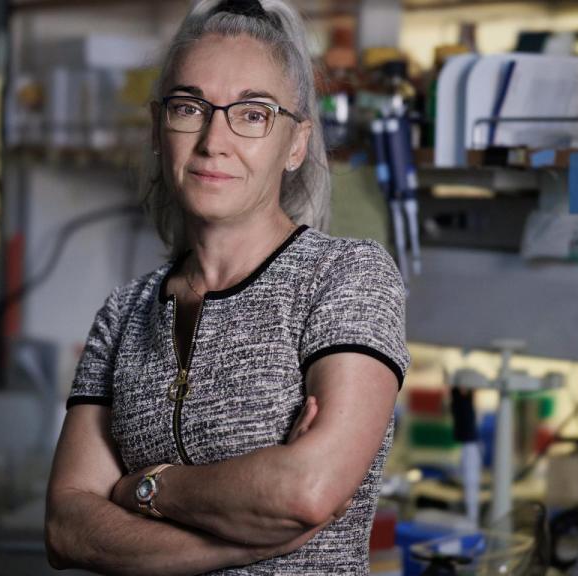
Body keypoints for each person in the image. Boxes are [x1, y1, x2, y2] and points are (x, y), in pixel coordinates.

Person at [44, 0, 409, 573]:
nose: (215, 140)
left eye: (253, 113)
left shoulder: (345, 276)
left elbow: (308, 490)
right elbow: (67, 527)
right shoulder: (125, 313)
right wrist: (250, 541)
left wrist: (146, 489)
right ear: (160, 130)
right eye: (190, 107)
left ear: (295, 144)